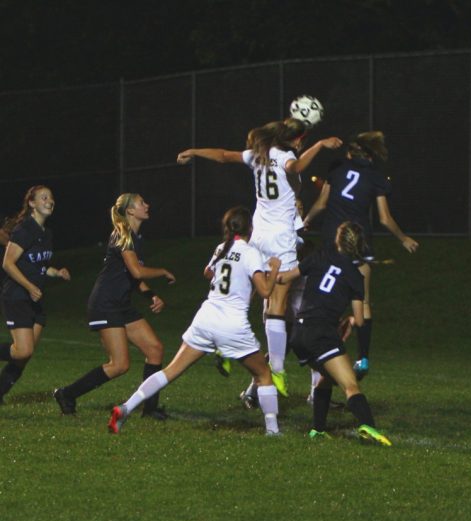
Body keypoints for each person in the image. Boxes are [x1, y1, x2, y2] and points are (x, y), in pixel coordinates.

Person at [176, 118, 341, 397]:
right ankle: (276, 368)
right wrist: (321, 145)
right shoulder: (286, 156)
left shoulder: (258, 155)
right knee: (278, 303)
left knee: (257, 299)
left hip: (258, 235)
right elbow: (297, 166)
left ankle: (227, 348)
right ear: (296, 140)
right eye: (302, 139)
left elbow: (223, 155)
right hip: (280, 238)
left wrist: (193, 150)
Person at [109, 206, 283, 435]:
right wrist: (272, 271)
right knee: (263, 374)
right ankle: (272, 430)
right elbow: (265, 292)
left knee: (170, 371)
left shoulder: (222, 248)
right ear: (250, 228)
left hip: (206, 318)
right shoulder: (251, 253)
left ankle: (125, 408)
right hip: (231, 324)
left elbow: (207, 273)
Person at [303, 131, 418, 380]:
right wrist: (403, 238)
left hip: (332, 242)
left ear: (350, 152)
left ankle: (321, 351)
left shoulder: (337, 168)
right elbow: (385, 219)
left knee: (322, 296)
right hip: (359, 244)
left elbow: (322, 204)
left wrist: (306, 220)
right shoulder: (376, 178)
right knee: (363, 301)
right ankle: (363, 357)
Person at [53, 193, 174, 416]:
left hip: (122, 304)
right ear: (130, 211)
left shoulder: (136, 238)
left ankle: (150, 410)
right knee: (119, 365)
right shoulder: (123, 234)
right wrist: (163, 271)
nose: (147, 205)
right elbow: (137, 271)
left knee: (155, 349)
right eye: (141, 203)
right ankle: (67, 393)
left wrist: (151, 295)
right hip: (105, 304)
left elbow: (132, 276)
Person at [285, 220, 392, 445]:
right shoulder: (355, 276)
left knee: (325, 378)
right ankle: (368, 426)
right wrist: (351, 320)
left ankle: (318, 430)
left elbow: (286, 277)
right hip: (321, 334)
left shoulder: (320, 255)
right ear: (359, 245)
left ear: (337, 239)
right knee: (350, 385)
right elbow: (360, 319)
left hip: (299, 332)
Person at [0, 185, 71, 404]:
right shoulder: (25, 230)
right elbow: (8, 263)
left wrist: (56, 272)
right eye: (44, 198)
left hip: (35, 300)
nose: (50, 201)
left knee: (25, 356)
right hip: (17, 296)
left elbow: (40, 265)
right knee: (22, 351)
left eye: (51, 198)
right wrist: (30, 287)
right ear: (32, 203)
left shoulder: (46, 233)